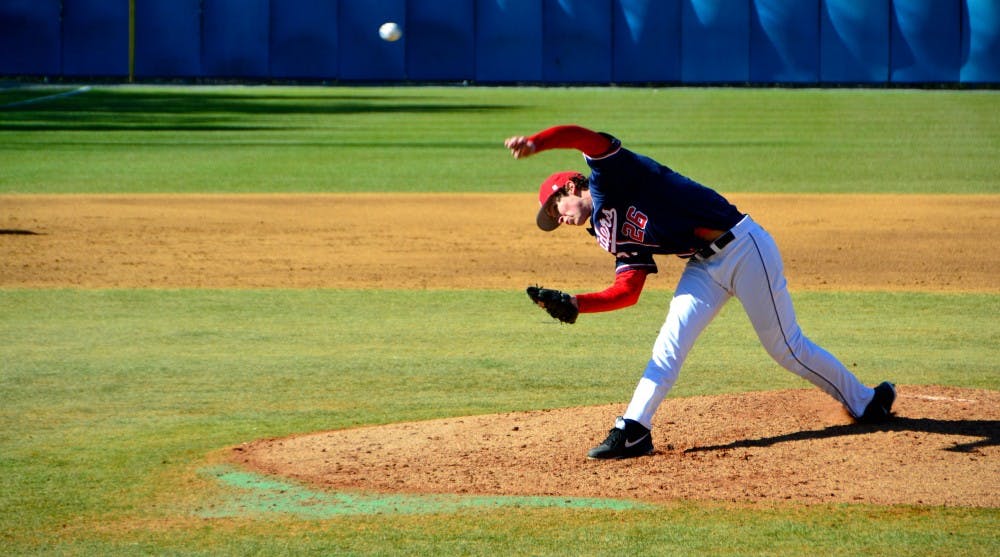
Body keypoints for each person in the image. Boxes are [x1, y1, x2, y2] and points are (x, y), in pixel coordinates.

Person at [504, 124, 896, 460]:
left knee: (786, 348)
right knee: (668, 344)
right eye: (553, 219)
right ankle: (635, 429)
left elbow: (584, 137)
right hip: (703, 265)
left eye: (556, 206)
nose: (560, 219)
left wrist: (537, 142)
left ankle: (865, 401)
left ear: (571, 186)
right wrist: (578, 304)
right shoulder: (606, 232)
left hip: (744, 247)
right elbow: (629, 289)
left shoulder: (611, 175)